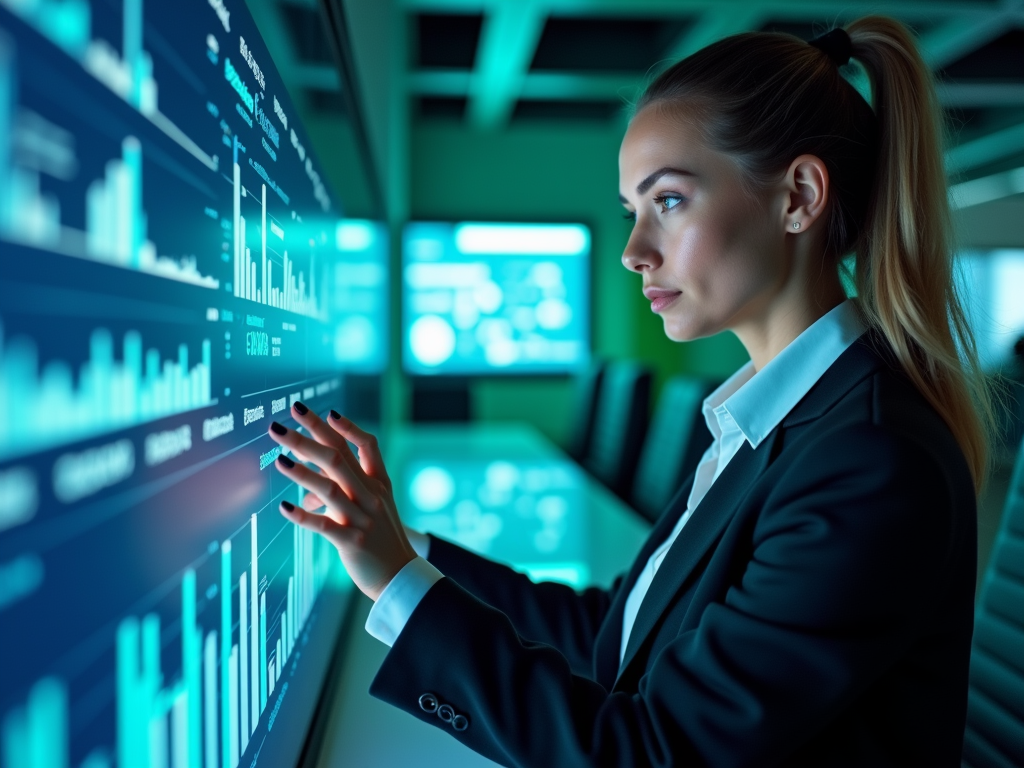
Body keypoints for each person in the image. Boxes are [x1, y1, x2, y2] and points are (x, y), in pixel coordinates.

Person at [266, 16, 995, 767]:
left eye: (669, 202)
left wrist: (401, 584)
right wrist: (403, 551)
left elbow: (654, 752)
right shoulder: (774, 421)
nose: (633, 252)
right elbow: (620, 631)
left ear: (799, 197)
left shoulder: (867, 460)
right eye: (633, 212)